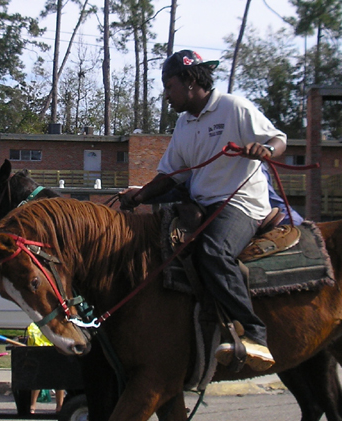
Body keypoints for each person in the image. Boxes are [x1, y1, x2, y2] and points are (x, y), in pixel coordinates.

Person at [119, 49, 287, 371]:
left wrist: (264, 149)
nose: (166, 95)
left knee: (213, 251)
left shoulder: (232, 107)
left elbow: (279, 140)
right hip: (202, 204)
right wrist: (139, 197)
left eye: (169, 86)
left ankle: (254, 333)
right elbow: (171, 175)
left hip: (240, 203)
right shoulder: (184, 124)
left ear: (190, 80)